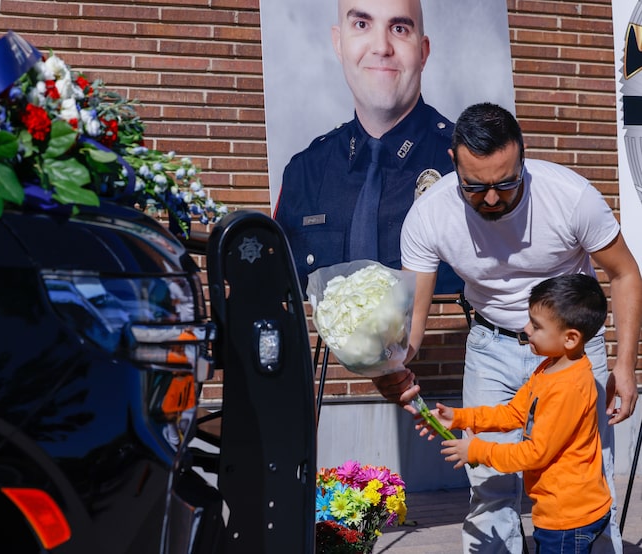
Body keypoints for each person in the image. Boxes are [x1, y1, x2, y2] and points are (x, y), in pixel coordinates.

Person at [393, 102, 642, 553]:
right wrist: (389, 366)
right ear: (454, 163)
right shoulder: (430, 216)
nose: (491, 198)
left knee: (585, 477)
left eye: (506, 184)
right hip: (491, 344)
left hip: (571, 352)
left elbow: (625, 273)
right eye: (476, 186)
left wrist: (625, 365)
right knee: (488, 487)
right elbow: (411, 325)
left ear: (523, 158)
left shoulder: (569, 197)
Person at [273, 0, 462, 296]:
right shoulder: (305, 173)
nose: (381, 47)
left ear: (423, 52)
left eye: (399, 28)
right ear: (339, 43)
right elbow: (277, 302)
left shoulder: (467, 167)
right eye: (362, 25)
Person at [418, 274, 612, 553]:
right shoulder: (548, 368)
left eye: (536, 325)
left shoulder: (568, 388)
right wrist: (460, 418)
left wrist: (477, 451)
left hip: (569, 520)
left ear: (570, 338)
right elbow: (514, 414)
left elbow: (534, 453)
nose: (525, 328)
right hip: (557, 512)